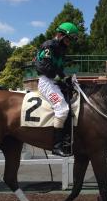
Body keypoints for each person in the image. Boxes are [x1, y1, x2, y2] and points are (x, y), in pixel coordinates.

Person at [34, 22, 79, 157]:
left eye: (70, 40)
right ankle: (57, 146)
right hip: (45, 82)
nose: (69, 43)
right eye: (67, 39)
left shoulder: (61, 50)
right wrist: (60, 78)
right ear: (60, 35)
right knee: (62, 108)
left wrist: (65, 78)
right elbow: (43, 67)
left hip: (52, 80)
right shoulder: (49, 45)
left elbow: (58, 69)